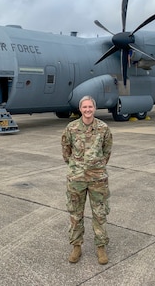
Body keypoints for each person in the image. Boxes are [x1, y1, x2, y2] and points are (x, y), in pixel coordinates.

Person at [61, 95, 113, 265]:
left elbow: (107, 151)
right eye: (85, 107)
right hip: (76, 178)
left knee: (99, 213)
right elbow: (66, 151)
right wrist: (76, 167)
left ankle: (101, 247)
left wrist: (96, 166)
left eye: (90, 107)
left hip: (98, 178)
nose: (88, 110)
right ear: (80, 109)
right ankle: (76, 246)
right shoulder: (71, 128)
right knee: (75, 213)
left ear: (94, 108)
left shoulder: (103, 128)